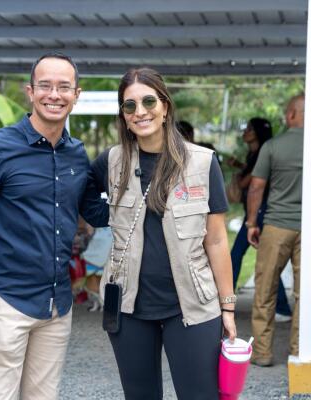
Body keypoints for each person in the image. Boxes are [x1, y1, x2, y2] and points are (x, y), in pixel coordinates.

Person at [0, 53, 108, 400]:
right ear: (30, 91)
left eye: (64, 87)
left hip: (57, 305)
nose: (55, 94)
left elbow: (95, 213)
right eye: (45, 86)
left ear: (76, 94)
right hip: (5, 301)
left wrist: (143, 190)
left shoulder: (76, 154)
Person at [91, 68, 236, 400]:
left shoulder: (202, 162)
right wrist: (104, 216)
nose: (140, 112)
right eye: (130, 106)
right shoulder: (111, 161)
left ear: (165, 106)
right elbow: (78, 192)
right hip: (128, 306)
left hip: (192, 305)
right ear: (123, 115)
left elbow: (216, 240)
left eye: (148, 101)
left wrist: (228, 308)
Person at [247, 94, 304, 367]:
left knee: (265, 291)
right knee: (305, 295)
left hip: (276, 226)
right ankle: (300, 352)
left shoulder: (273, 146)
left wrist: (251, 223)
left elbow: (256, 186)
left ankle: (262, 353)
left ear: (291, 114)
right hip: (307, 229)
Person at [228, 118, 291, 320]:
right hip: (256, 213)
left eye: (249, 128)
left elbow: (249, 182)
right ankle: (281, 307)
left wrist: (239, 175)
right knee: (262, 260)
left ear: (257, 133)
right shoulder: (255, 154)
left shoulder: (263, 152)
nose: (245, 131)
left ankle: (225, 302)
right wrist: (240, 166)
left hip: (259, 213)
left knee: (243, 257)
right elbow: (251, 170)